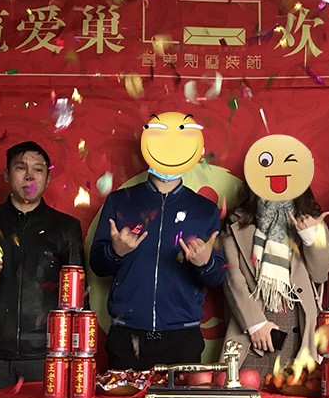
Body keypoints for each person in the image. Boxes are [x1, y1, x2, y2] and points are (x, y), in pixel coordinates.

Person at [89, 112, 226, 370]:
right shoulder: (119, 201)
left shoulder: (205, 209)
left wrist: (205, 263)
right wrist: (116, 251)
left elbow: (217, 277)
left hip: (183, 337)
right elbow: (97, 265)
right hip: (126, 335)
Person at [0, 141, 84, 396]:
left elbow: (77, 296)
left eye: (38, 169)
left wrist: (72, 352)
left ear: (47, 178)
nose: (29, 176)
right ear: (6, 174)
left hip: (47, 354)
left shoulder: (65, 228)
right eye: (21, 168)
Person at [222, 185, 329, 372]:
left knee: (298, 388)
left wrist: (311, 238)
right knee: (244, 388)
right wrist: (255, 324)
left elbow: (322, 275)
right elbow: (232, 277)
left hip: (299, 336)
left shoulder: (312, 222)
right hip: (253, 338)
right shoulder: (237, 221)